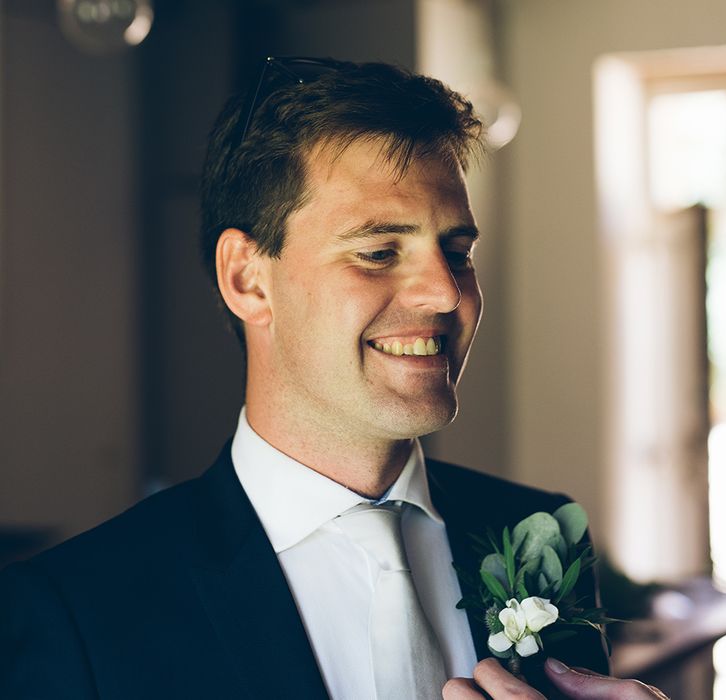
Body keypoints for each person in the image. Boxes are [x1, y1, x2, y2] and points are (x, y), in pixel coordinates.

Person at [0, 57, 667, 699]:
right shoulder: (75, 611)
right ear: (247, 279)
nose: (444, 292)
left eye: (457, 252)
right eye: (379, 251)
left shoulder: (538, 532)